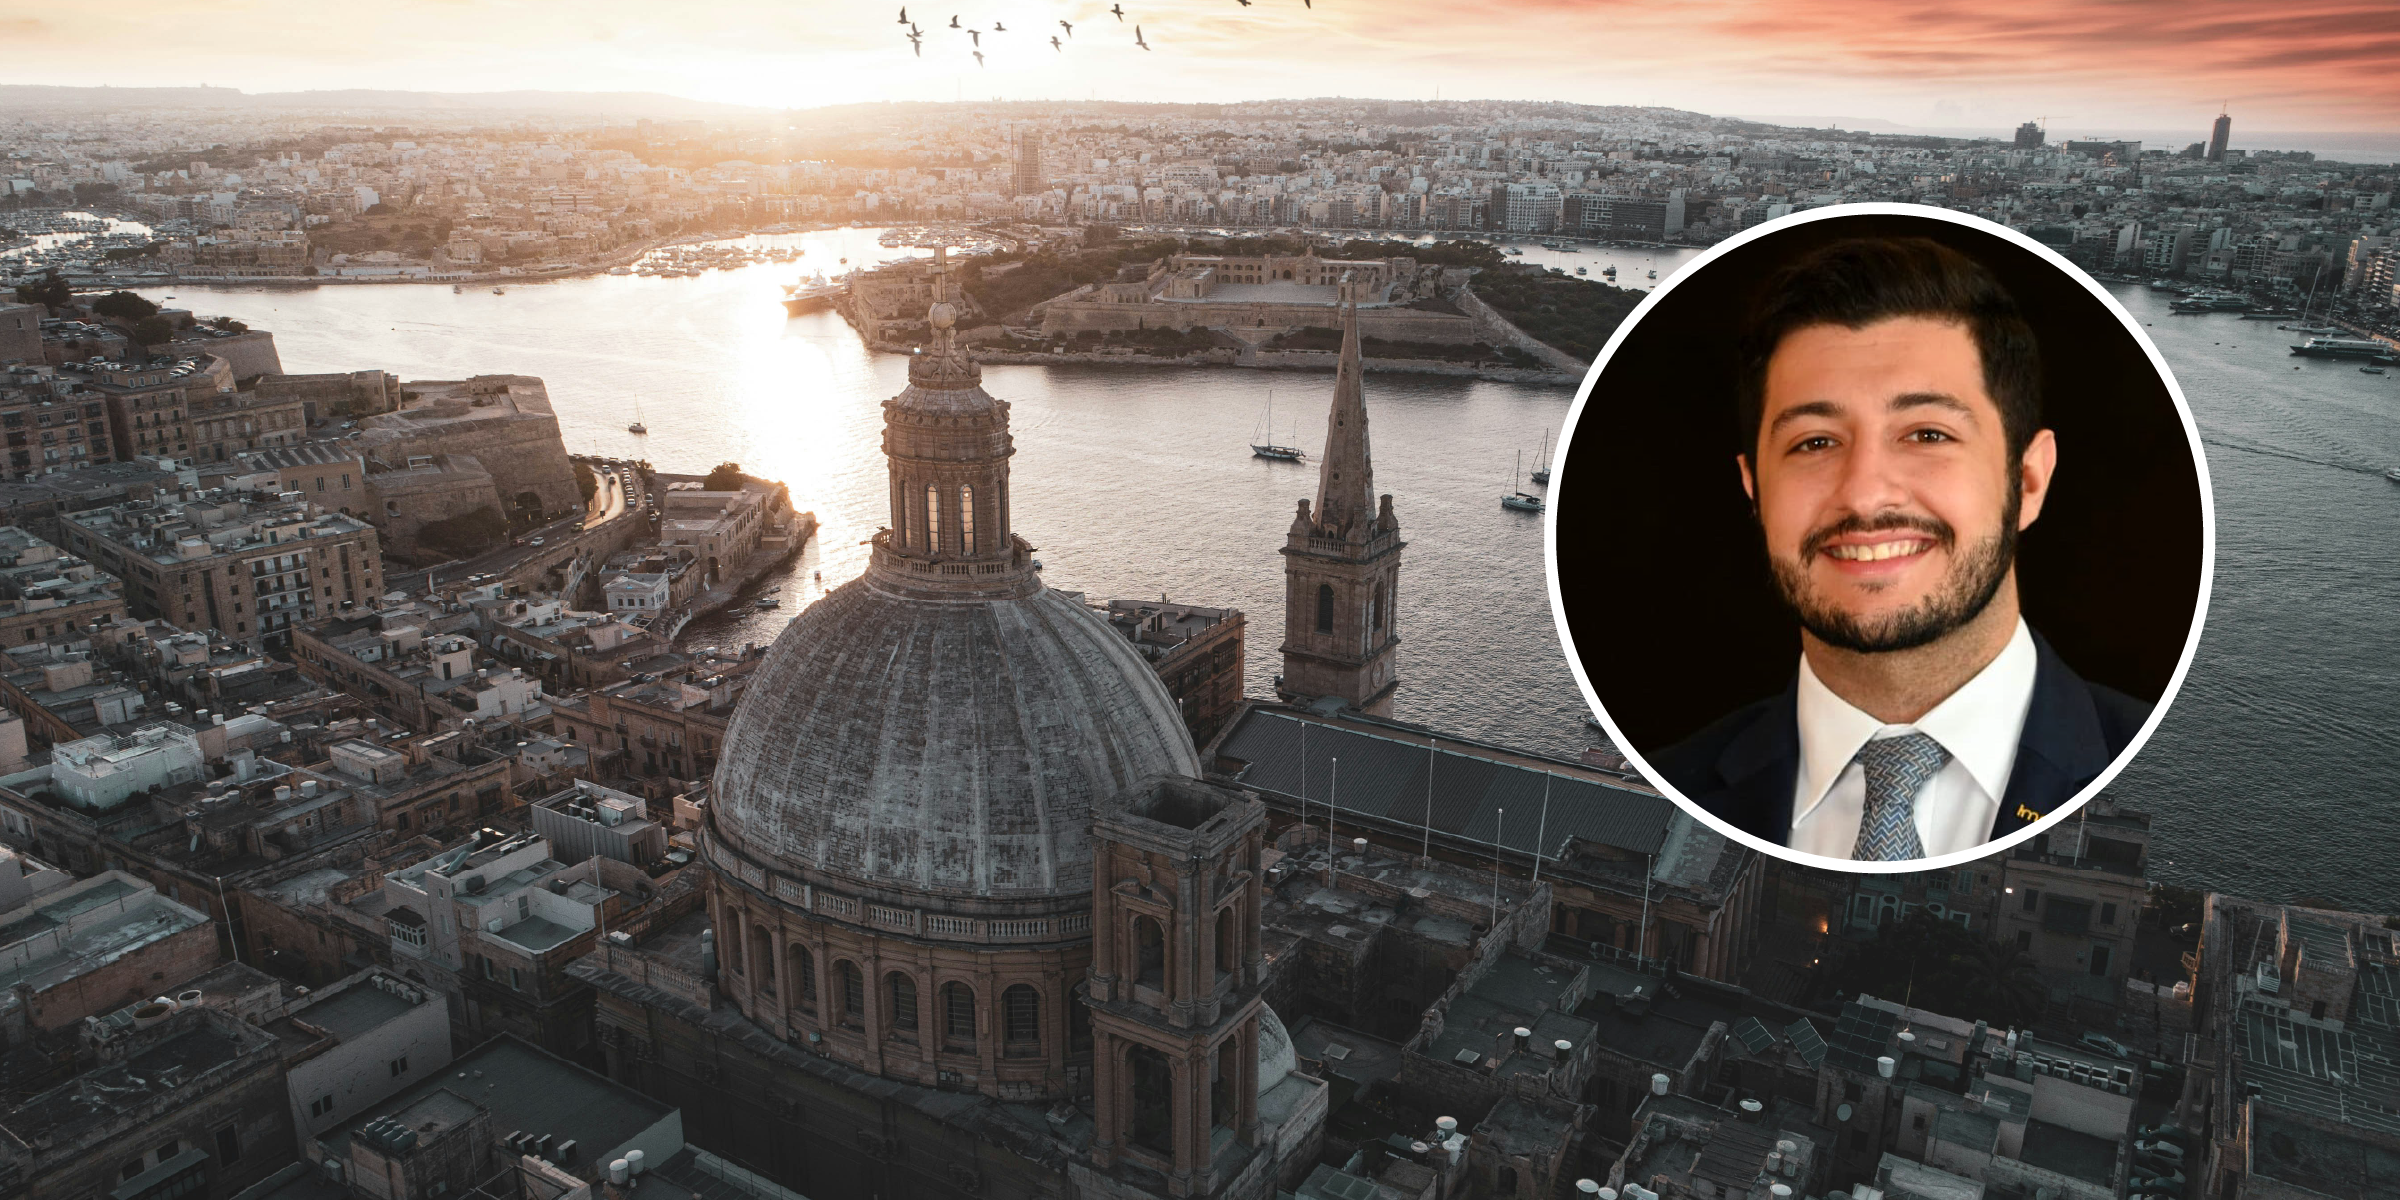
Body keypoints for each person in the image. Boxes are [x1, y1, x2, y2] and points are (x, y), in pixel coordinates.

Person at [1653, 237, 2149, 861]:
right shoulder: (1668, 784)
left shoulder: (2160, 781)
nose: (1863, 496)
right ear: (1755, 490)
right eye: (1814, 442)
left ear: (2027, 481)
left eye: (1926, 434)